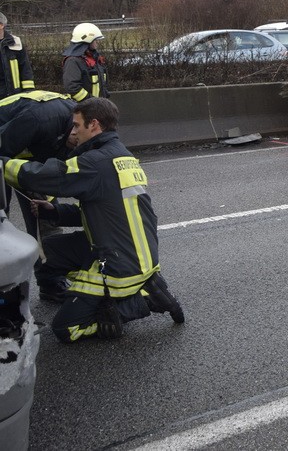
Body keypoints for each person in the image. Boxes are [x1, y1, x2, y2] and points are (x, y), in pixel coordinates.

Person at [0, 97, 184, 342]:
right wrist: (53, 212)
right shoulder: (121, 156)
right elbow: (103, 212)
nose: (72, 132)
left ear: (94, 125)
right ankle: (137, 288)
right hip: (132, 252)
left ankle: (142, 303)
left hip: (117, 263)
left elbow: (41, 176)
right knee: (44, 253)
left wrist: (2, 164)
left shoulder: (95, 163)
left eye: (77, 126)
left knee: (66, 329)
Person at [0, 90, 75, 239]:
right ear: (74, 131)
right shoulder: (39, 120)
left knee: (44, 208)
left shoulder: (75, 120)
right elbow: (3, 148)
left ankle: (48, 250)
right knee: (1, 210)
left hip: (26, 145)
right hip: (6, 138)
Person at [63, 22, 109, 101]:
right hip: (82, 110)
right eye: (95, 39)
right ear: (87, 40)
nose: (98, 41)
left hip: (98, 107)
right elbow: (72, 87)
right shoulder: (73, 61)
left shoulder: (95, 58)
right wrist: (91, 101)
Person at [0, 11, 36, 97]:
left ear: (1, 25)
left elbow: (25, 69)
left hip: (14, 97)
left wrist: (29, 93)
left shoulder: (15, 43)